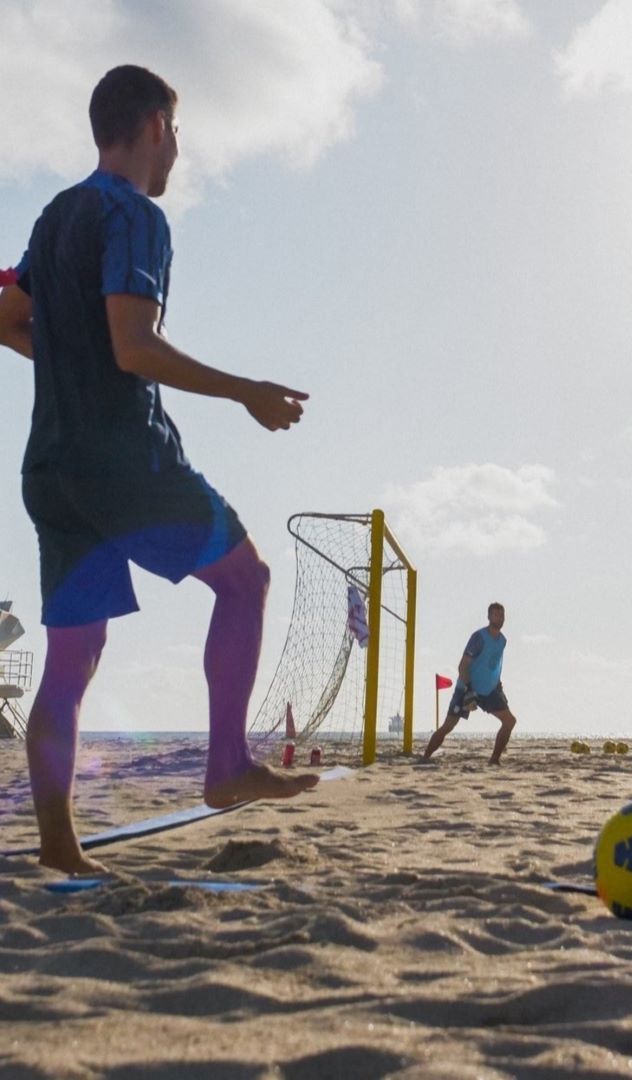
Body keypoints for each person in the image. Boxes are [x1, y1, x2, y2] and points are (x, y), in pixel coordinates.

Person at [0, 66, 319, 875]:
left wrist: (61, 358)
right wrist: (245, 390)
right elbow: (134, 346)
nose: (177, 148)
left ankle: (61, 850)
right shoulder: (132, 213)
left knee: (72, 661)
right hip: (125, 459)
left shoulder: (55, 214)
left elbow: (7, 315)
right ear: (152, 127)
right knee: (244, 580)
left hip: (52, 469)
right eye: (175, 131)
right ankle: (224, 767)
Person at [421, 602, 517, 765]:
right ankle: (424, 758)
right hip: (467, 686)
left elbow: (494, 664)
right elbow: (463, 665)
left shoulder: (503, 641)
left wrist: (498, 684)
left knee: (509, 722)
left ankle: (494, 761)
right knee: (448, 726)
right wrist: (468, 690)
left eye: (501, 615)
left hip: (489, 690)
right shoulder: (478, 637)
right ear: (488, 617)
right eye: (495, 615)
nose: (499, 618)